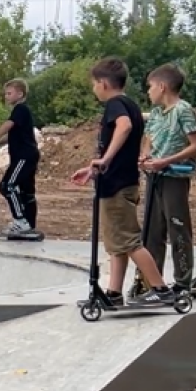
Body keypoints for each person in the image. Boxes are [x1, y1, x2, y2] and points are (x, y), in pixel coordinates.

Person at [67, 58, 172, 307]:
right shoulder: (131, 104)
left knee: (129, 242)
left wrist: (104, 159)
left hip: (116, 185)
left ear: (103, 84)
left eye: (94, 84)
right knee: (117, 243)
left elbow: (123, 128)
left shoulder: (116, 105)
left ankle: (161, 289)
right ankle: (114, 293)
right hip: (119, 181)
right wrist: (94, 169)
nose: (93, 89)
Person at [135, 63, 196, 294]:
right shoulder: (155, 113)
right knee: (153, 230)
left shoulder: (183, 110)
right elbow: (149, 137)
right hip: (155, 176)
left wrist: (167, 160)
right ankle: (152, 281)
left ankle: (183, 281)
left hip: (175, 176)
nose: (148, 91)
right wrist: (145, 155)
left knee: (178, 228)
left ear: (162, 86)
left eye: (150, 87)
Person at [0, 78, 40, 235]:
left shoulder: (20, 109)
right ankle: (29, 224)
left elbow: (9, 125)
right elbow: (13, 134)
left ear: (20, 94)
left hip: (24, 156)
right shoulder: (22, 112)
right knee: (26, 191)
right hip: (24, 155)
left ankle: (20, 220)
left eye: (9, 93)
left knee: (7, 185)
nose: (6, 96)